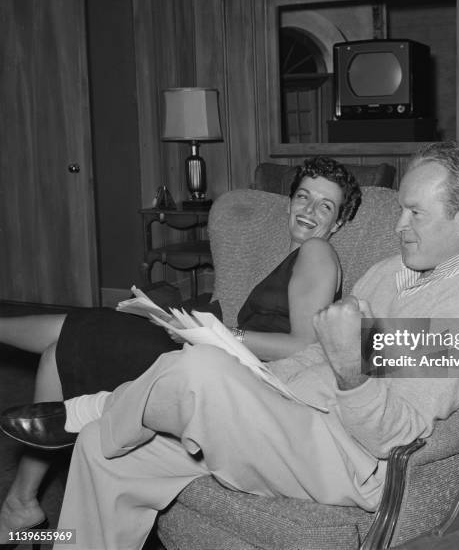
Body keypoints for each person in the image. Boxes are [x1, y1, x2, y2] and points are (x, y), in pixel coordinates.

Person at [0, 156, 362, 543]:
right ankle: (20, 503)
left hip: (227, 378)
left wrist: (218, 333)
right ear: (289, 203)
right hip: (216, 361)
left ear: (337, 222)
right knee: (60, 351)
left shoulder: (317, 253)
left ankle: (20, 502)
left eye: (325, 206)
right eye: (304, 197)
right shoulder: (294, 257)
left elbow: (303, 345)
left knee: (92, 327)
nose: (309, 210)